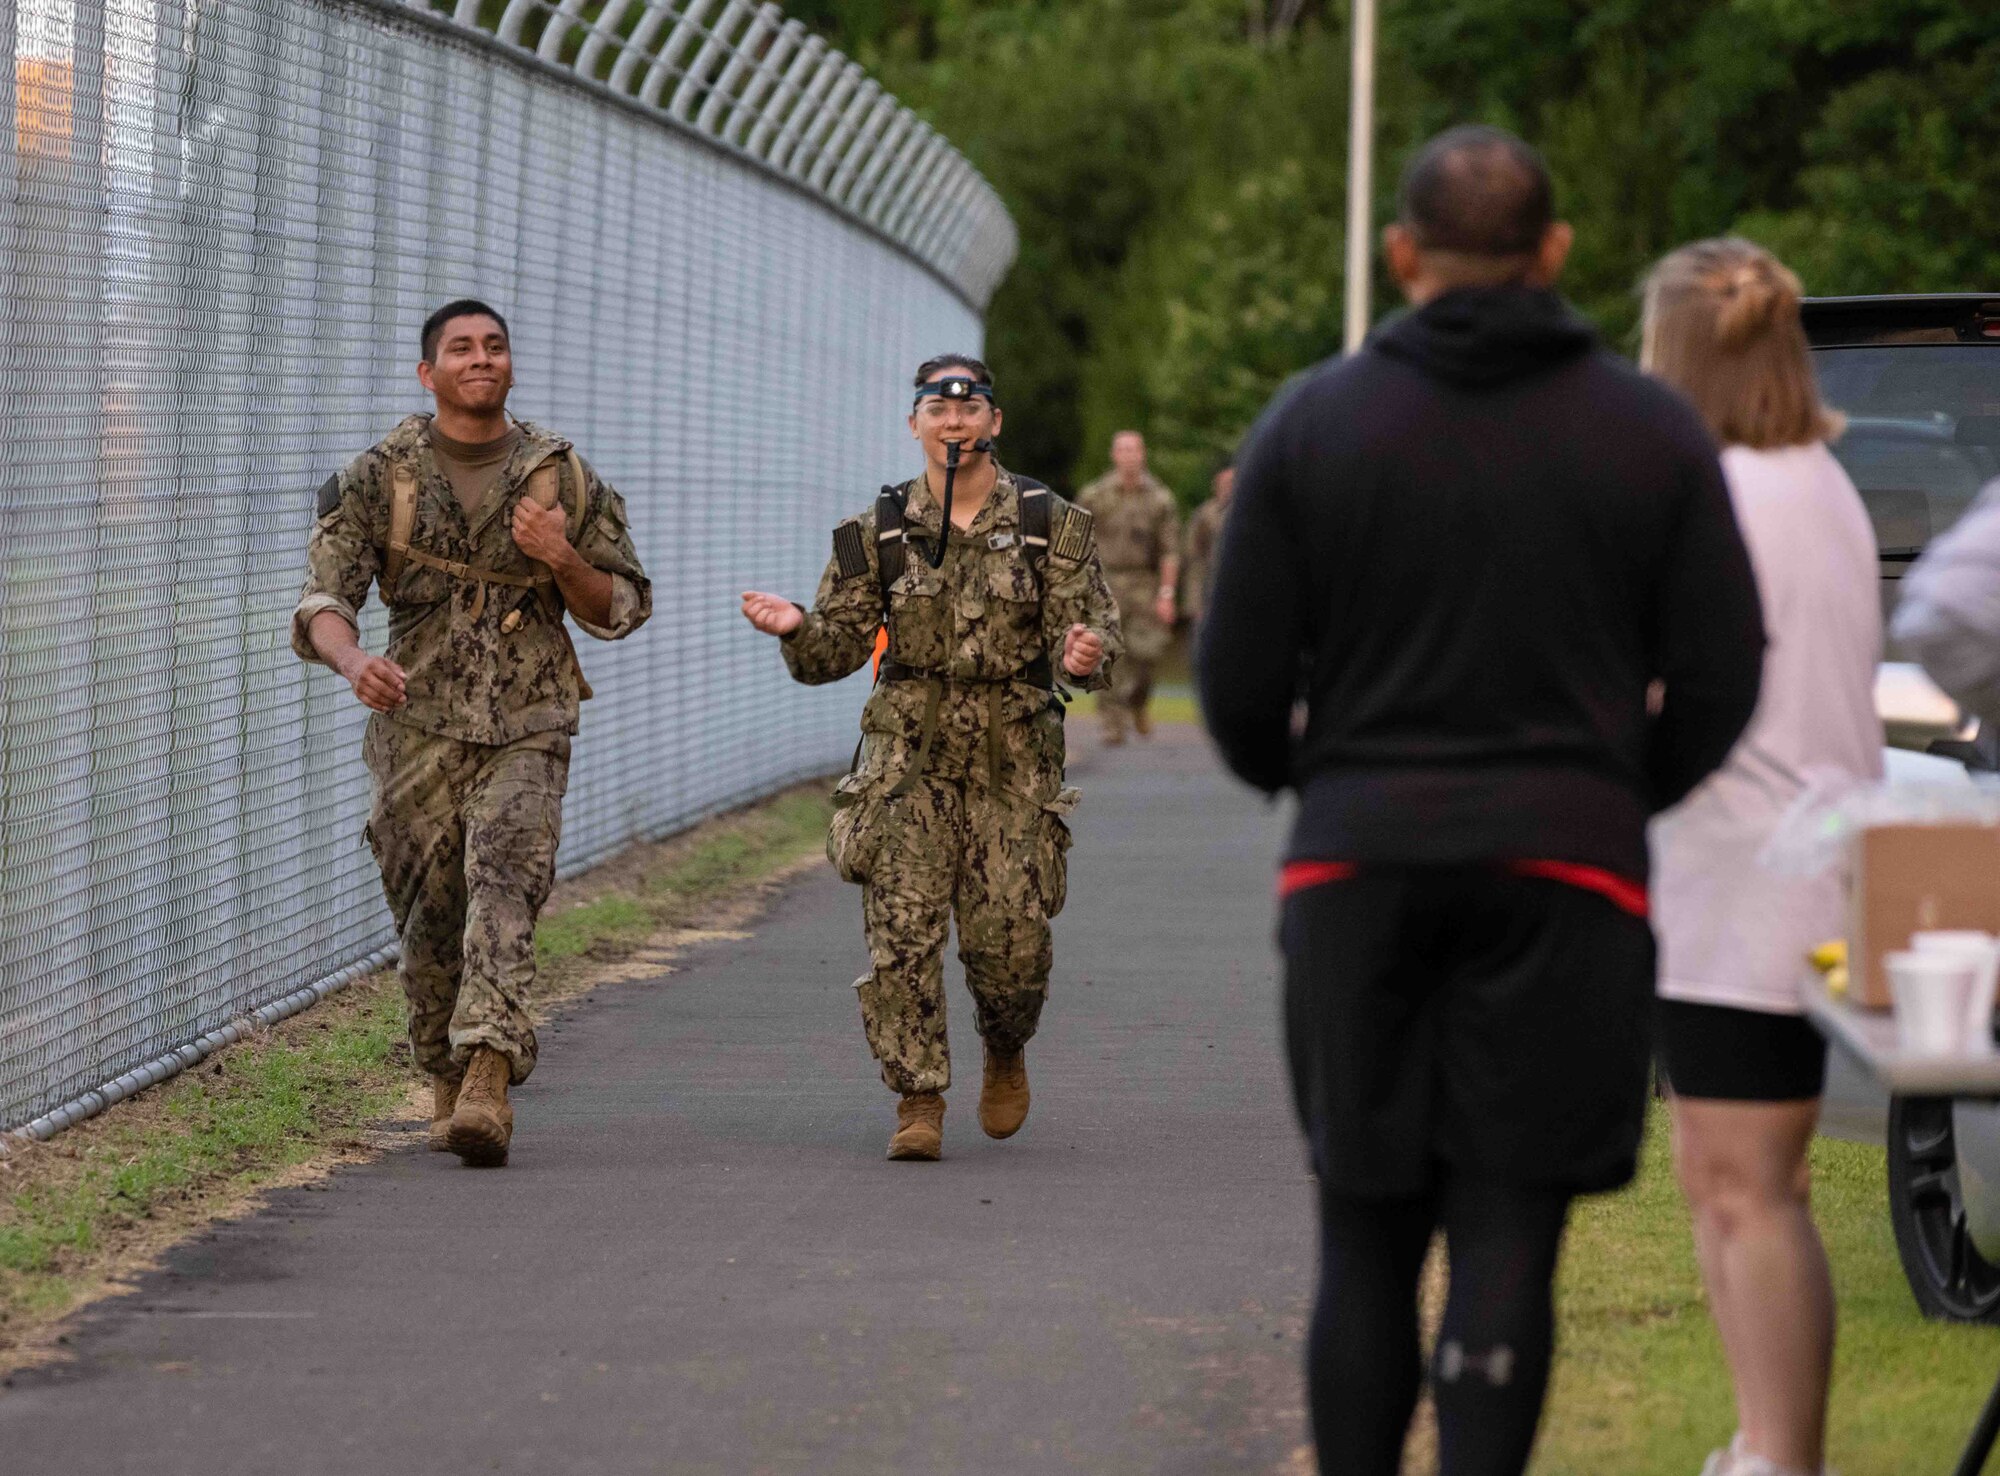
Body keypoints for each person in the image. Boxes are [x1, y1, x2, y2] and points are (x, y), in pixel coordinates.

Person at [1197, 127, 1766, 1476]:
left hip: (1358, 868)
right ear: (1556, 252)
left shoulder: (1314, 424)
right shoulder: (1646, 431)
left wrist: (1326, 785)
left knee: (1365, 1227)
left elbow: (1232, 686)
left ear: (1403, 254)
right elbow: (1725, 675)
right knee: (1512, 1225)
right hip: (1566, 874)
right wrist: (1613, 793)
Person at [293, 299, 651, 1168]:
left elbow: (623, 606)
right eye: (461, 348)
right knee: (428, 910)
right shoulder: (379, 476)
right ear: (430, 374)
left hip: (530, 718)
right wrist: (352, 665)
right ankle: (445, 1073)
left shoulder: (560, 476)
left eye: (495, 346)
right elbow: (322, 603)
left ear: (512, 368)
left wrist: (561, 555)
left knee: (505, 873)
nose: (481, 358)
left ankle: (489, 1065)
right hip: (414, 721)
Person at [739, 356, 1120, 1161]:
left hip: (1013, 759)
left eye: (971, 407)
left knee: (1008, 944)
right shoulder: (875, 532)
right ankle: (918, 1096)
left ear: (994, 422)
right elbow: (832, 653)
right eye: (937, 410)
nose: (955, 423)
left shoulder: (1052, 525)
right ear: (914, 423)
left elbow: (1089, 635)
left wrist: (1083, 657)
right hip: (906, 760)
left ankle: (1006, 1045)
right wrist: (796, 628)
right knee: (901, 935)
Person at [1642, 239, 1878, 1476]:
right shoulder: (1814, 481)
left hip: (1744, 874)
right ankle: (1761, 1444)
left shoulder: (1721, 493)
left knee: (1746, 1186)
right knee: (1732, 1178)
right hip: (1788, 860)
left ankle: (1780, 1456)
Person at [1077, 430, 1180, 743]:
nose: (1129, 456)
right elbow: (1077, 544)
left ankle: (1138, 700)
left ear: (1143, 454)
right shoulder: (1094, 495)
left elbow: (1170, 551)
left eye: (1134, 449)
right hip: (1105, 581)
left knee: (1147, 653)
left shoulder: (1160, 499)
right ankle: (1112, 723)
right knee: (1106, 652)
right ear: (1114, 455)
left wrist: (1167, 593)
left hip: (1145, 583)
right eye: (1122, 449)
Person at [1181, 459, 1235, 646]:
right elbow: (1194, 560)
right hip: (1211, 591)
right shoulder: (1205, 515)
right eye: (1224, 483)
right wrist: (1195, 604)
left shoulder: (1253, 514)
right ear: (1215, 485)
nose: (1228, 488)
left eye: (1233, 482)